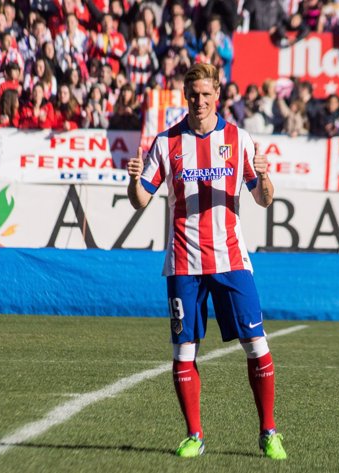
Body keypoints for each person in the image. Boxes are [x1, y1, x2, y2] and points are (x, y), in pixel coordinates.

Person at [126, 63, 287, 460]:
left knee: (257, 345)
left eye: (206, 94)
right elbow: (141, 199)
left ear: (218, 95)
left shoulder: (239, 139)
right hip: (183, 262)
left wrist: (265, 179)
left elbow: (263, 199)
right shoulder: (166, 143)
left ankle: (269, 432)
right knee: (184, 350)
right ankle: (194, 435)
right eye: (193, 94)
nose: (200, 101)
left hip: (231, 258)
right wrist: (133, 181)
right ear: (185, 95)